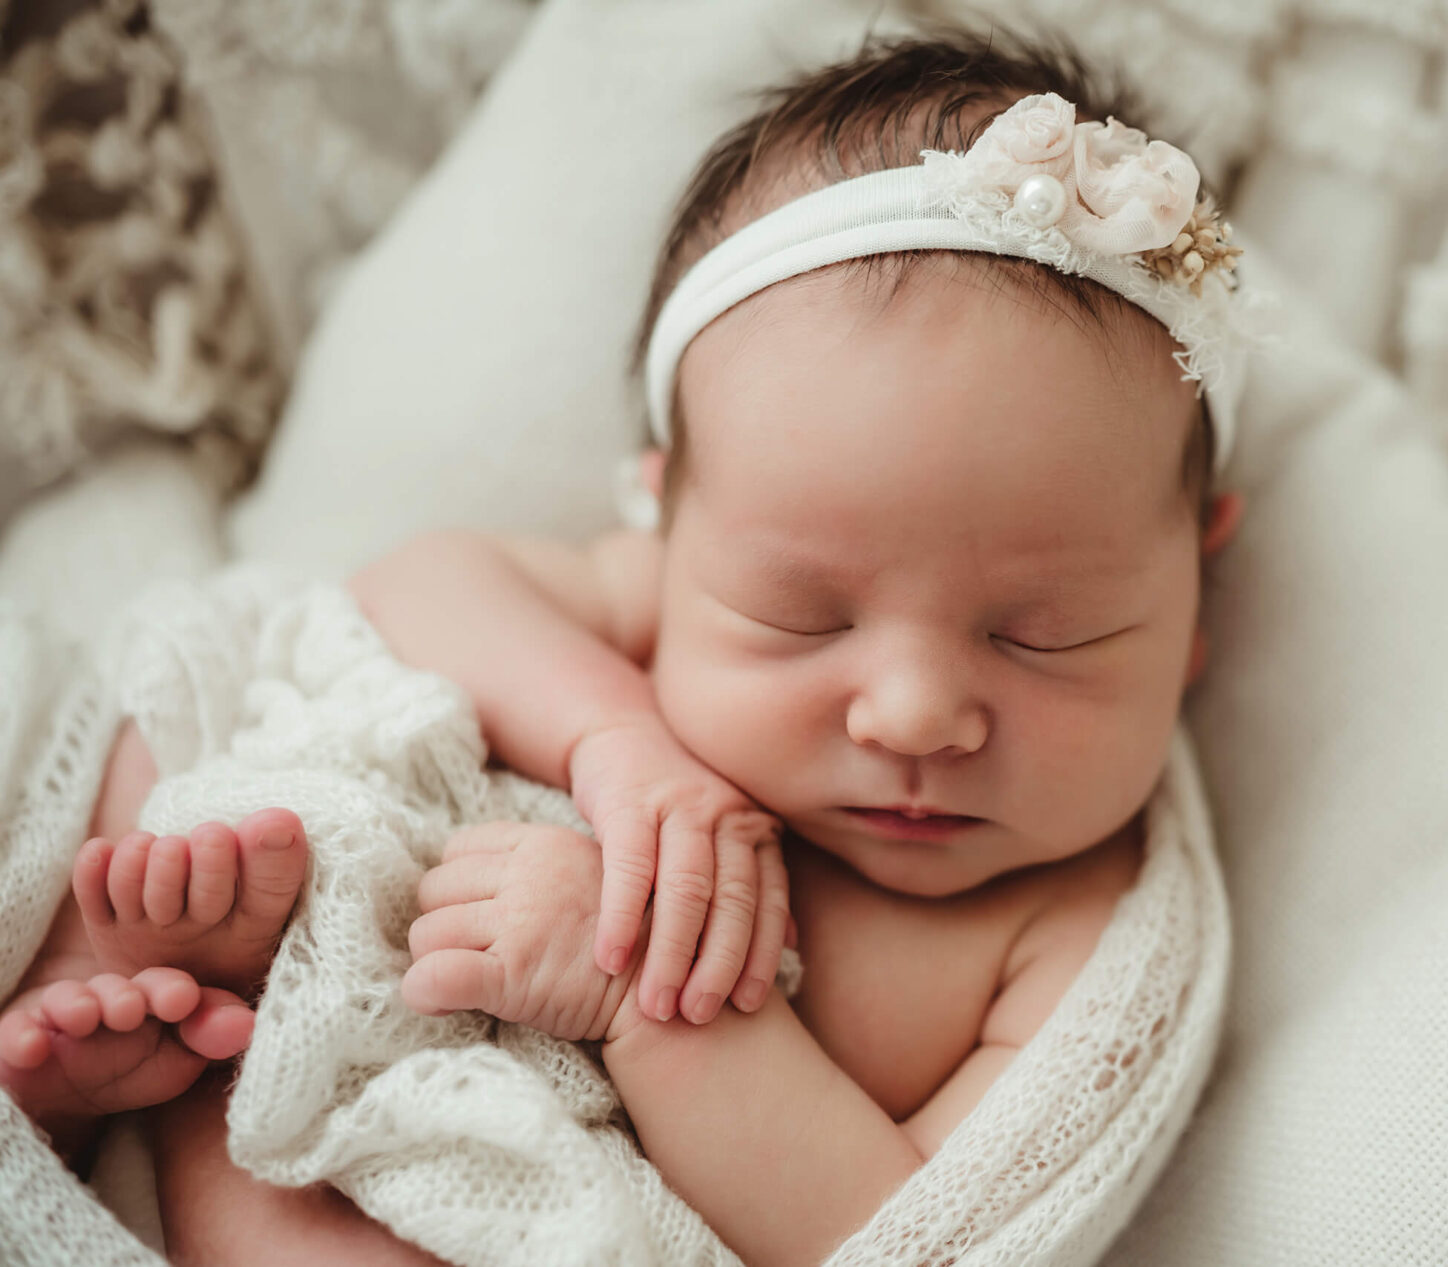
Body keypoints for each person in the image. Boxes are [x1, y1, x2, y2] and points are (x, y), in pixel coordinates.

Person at [0, 31, 1248, 1266]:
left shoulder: (1083, 931)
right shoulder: (662, 602)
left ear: (1195, 578)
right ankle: (159, 1023)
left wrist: (642, 1008)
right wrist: (617, 741)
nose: (913, 713)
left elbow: (911, 1234)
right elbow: (414, 588)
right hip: (335, 913)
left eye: (1045, 634)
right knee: (149, 769)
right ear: (667, 514)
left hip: (496, 1179)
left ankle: (153, 1089)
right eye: (802, 617)